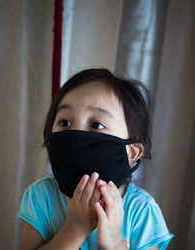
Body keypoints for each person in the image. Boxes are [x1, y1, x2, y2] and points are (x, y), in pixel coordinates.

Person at [18, 68, 174, 250]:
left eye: (96, 125)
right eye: (65, 123)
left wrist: (116, 243)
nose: (76, 134)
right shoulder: (41, 197)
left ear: (132, 152)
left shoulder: (141, 210)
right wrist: (74, 230)